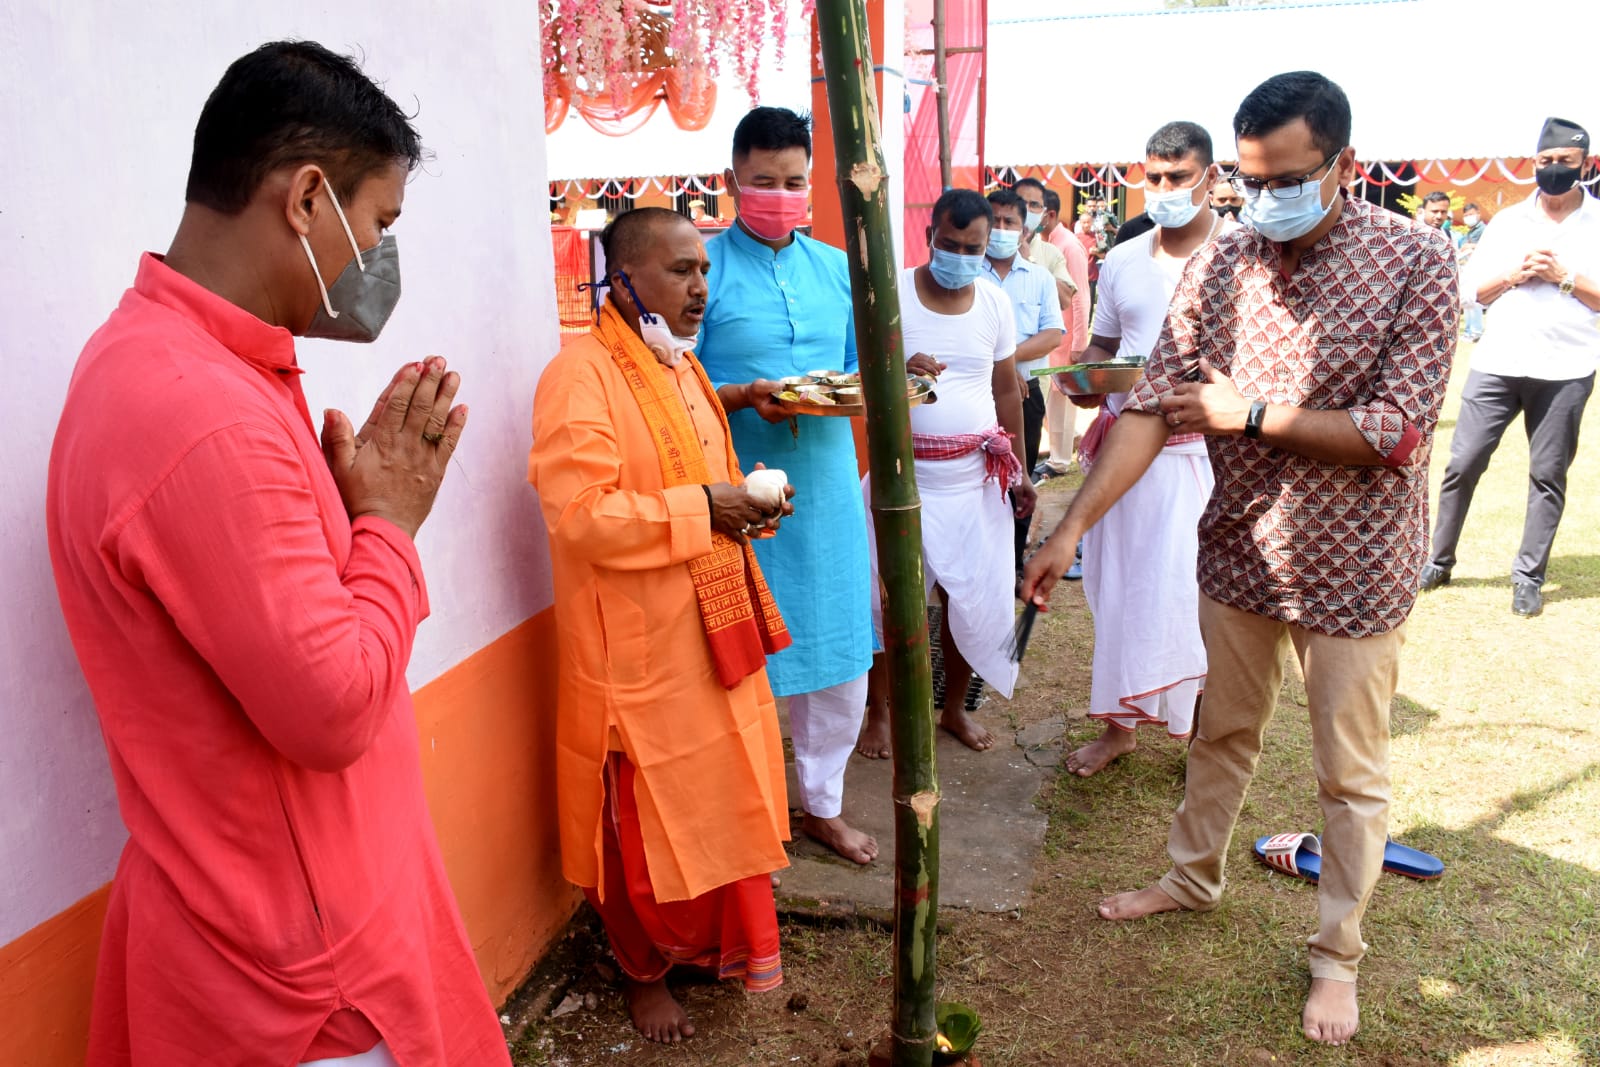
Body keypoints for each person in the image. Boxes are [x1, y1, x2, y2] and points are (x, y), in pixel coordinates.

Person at [45, 41, 508, 1066]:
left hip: (298, 922)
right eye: (379, 224)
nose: (378, 259)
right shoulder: (201, 412)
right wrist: (387, 523)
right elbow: (331, 703)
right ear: (307, 199)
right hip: (302, 987)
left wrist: (347, 522)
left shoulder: (191, 361)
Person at [1022, 71, 1458, 1046]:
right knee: (1221, 733)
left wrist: (1248, 413)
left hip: (1355, 566)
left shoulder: (1418, 259)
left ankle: (1335, 953)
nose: (1262, 204)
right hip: (1238, 550)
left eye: (1285, 179)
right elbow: (1147, 407)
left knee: (1348, 774)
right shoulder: (1223, 266)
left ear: (1343, 165)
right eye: (1250, 183)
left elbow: (1396, 430)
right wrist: (1068, 531)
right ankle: (1191, 875)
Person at [529, 207, 796, 1043]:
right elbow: (580, 516)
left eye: (705, 272)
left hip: (710, 632)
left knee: (723, 799)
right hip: (636, 652)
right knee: (641, 827)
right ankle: (641, 968)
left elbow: (704, 485)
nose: (700, 288)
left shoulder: (680, 369)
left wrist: (745, 503)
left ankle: (711, 946)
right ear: (627, 277)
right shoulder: (580, 375)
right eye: (681, 271)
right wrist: (706, 507)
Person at [696, 107, 881, 865]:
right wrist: (745, 393)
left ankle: (823, 803)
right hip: (739, 487)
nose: (779, 193)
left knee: (838, 648)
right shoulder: (703, 265)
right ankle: (748, 800)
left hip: (829, 482)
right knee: (739, 648)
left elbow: (853, 366)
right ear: (733, 180)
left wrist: (872, 385)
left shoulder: (838, 266)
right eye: (763, 181)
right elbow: (679, 379)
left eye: (794, 180)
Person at [1061, 121, 1224, 778]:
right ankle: (1118, 727)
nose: (1162, 190)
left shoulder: (1241, 255)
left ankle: (1200, 738)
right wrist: (1083, 375)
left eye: (1177, 178)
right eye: (1153, 177)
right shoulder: (1125, 258)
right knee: (1120, 590)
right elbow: (1105, 348)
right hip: (1124, 458)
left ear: (1210, 178)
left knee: (1192, 599)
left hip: (1204, 459)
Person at [857, 189, 1036, 755]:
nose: (960, 256)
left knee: (974, 599)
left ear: (989, 247)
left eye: (973, 248)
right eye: (950, 244)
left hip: (975, 479)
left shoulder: (994, 302)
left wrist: (1022, 471)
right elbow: (854, 378)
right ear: (929, 235)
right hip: (900, 481)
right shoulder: (891, 296)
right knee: (886, 600)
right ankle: (878, 716)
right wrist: (895, 368)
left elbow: (1006, 389)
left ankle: (953, 709)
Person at [1419, 117, 1600, 618]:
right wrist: (1516, 274)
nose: (1554, 171)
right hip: (1498, 363)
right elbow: (1469, 292)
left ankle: (1528, 576)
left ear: (1584, 164)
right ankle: (1438, 560)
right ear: (1534, 164)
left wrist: (1565, 278)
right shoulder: (1508, 223)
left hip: (1566, 369)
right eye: (1545, 162)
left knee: (1547, 474)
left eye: (1565, 162)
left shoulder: (1596, 222)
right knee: (1462, 464)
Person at [981, 188, 1063, 576]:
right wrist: (1000, 367)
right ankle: (982, 560)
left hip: (1025, 394)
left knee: (1020, 474)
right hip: (976, 394)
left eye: (1008, 222)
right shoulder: (968, 272)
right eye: (993, 221)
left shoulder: (1040, 278)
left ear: (1023, 228)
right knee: (978, 478)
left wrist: (1007, 360)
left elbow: (1052, 334)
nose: (1000, 229)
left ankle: (1012, 564)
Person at [1025, 183, 1093, 480]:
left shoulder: (1066, 245)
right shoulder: (1045, 242)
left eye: (1034, 208)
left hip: (1064, 339)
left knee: (1062, 403)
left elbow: (1080, 298)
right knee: (1050, 404)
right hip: (1046, 342)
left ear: (1048, 213)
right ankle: (1056, 454)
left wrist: (1079, 342)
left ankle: (1061, 460)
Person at [1457, 203, 1487, 340]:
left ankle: (1476, 331)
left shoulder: (1483, 230)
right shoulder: (1470, 231)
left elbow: (1489, 246)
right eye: (1466, 215)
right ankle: (1469, 331)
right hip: (1467, 268)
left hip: (1478, 270)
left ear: (1478, 214)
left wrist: (1471, 246)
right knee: (1467, 300)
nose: (1469, 218)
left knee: (1474, 301)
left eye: (1471, 214)